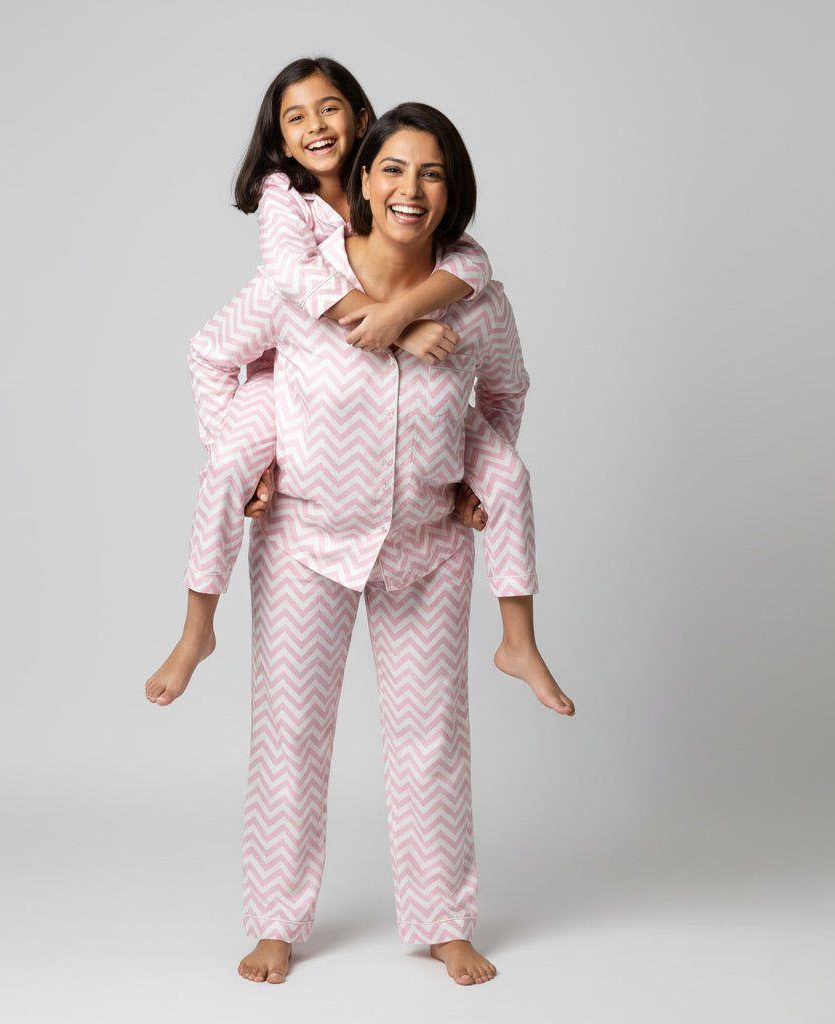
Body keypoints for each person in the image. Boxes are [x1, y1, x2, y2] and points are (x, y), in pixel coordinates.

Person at [186, 102, 573, 985]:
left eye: (431, 173)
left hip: (428, 548)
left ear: (451, 192)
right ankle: (277, 923)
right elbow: (213, 353)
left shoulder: (475, 297)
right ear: (361, 178)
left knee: (432, 738)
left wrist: (483, 476)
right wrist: (238, 461)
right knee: (290, 734)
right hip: (305, 542)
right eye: (393, 169)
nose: (410, 189)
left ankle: (443, 922)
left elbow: (506, 394)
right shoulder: (299, 283)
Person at [145, 57, 574, 721]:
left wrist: (469, 476)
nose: (317, 125)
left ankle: (519, 641)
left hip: (426, 537)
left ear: (361, 123)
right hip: (284, 429)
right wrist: (244, 447)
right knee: (229, 463)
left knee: (509, 479)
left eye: (330, 108)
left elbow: (476, 272)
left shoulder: (463, 278)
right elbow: (268, 293)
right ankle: (198, 627)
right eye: (296, 117)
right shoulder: (287, 212)